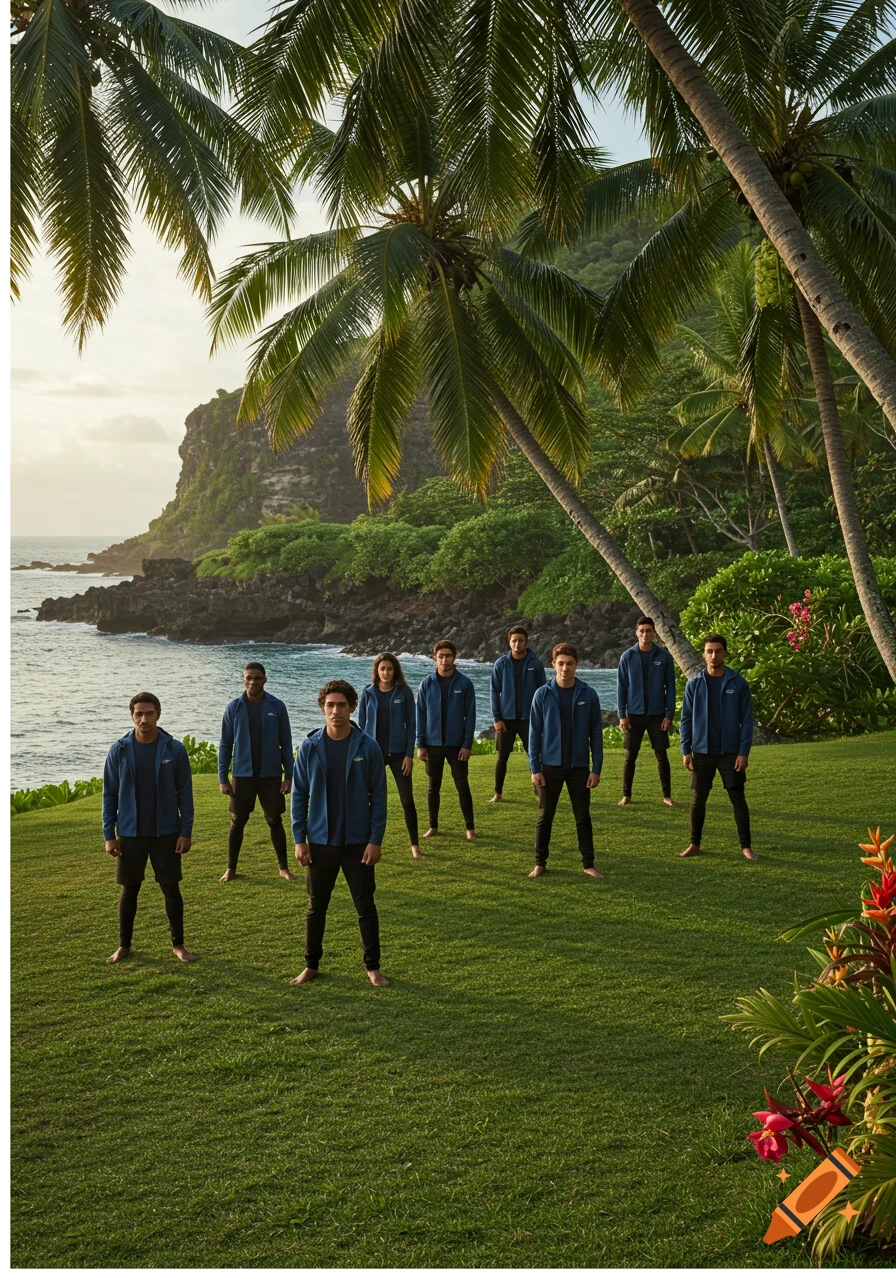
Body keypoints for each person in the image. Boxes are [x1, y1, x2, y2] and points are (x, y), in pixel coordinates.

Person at [291, 680, 388, 987]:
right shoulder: (310, 747)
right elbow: (299, 796)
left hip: (358, 843)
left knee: (365, 907)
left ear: (352, 707)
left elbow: (379, 797)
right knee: (316, 907)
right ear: (323, 708)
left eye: (341, 705)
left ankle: (373, 967)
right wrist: (299, 839)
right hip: (320, 843)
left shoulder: (368, 747)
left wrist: (375, 840)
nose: (336, 711)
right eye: (330, 705)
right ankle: (311, 965)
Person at [102, 692, 196, 964]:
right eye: (139, 714)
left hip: (166, 833)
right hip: (130, 834)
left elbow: (185, 793)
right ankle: (124, 946)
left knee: (171, 889)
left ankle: (178, 945)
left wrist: (185, 831)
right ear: (132, 716)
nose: (144, 719)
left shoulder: (174, 749)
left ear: (158, 714)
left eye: (149, 713)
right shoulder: (119, 750)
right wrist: (109, 835)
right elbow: (109, 794)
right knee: (129, 890)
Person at [678, 633, 757, 861]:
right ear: (704, 654)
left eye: (718, 651)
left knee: (738, 799)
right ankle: (694, 844)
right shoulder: (694, 684)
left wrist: (743, 752)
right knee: (698, 800)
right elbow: (686, 720)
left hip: (730, 752)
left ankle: (746, 847)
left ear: (725, 653)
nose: (714, 656)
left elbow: (747, 720)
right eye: (709, 651)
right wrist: (686, 750)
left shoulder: (738, 683)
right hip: (702, 752)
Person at [528, 644, 604, 880]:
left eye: (569, 664)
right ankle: (540, 863)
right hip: (549, 767)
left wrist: (596, 769)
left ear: (576, 664)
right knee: (545, 817)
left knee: (582, 817)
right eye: (560, 663)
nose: (565, 668)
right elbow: (534, 734)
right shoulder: (542, 694)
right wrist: (535, 769)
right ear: (553, 664)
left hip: (579, 768)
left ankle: (588, 864)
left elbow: (596, 734)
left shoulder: (588, 694)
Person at [218, 662, 295, 883]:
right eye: (249, 677)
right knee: (237, 821)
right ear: (243, 679)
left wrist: (288, 776)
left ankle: (283, 868)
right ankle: (231, 868)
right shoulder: (233, 708)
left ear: (265, 679)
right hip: (243, 776)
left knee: (275, 820)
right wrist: (223, 778)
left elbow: (286, 743)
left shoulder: (277, 707)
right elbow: (225, 744)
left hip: (271, 776)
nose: (253, 682)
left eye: (257, 678)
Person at [358, 652, 421, 858]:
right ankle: (366, 844)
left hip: (399, 755)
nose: (386, 672)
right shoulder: (367, 692)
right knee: (367, 801)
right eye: (382, 669)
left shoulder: (404, 693)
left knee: (407, 801)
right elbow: (361, 726)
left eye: (390, 669)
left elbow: (411, 725)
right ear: (376, 671)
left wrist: (409, 755)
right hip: (373, 754)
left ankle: (415, 846)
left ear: (395, 671)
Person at [416, 639, 477, 841]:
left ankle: (470, 828)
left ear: (454, 657)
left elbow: (470, 716)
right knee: (433, 787)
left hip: (456, 745)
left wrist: (467, 744)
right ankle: (433, 826)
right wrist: (420, 744)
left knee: (462, 786)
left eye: (448, 656)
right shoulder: (426, 684)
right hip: (432, 745)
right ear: (435, 658)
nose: (444, 660)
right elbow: (420, 715)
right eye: (440, 656)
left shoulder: (465, 683)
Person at [616, 616, 676, 807]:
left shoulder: (663, 657)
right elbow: (622, 687)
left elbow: (671, 688)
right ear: (636, 633)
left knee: (661, 756)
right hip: (634, 715)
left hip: (657, 715)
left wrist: (669, 715)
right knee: (630, 756)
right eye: (642, 631)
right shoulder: (627, 657)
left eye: (649, 631)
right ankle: (626, 795)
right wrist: (622, 715)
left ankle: (667, 796)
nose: (645, 634)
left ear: (654, 633)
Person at [488, 625, 546, 803]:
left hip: (529, 719)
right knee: (502, 757)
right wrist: (497, 718)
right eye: (514, 641)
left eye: (521, 640)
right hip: (506, 719)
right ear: (509, 642)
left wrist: (542, 717)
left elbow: (543, 692)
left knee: (535, 756)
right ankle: (498, 793)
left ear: (526, 642)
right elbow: (494, 691)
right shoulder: (501, 664)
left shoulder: (535, 664)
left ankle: (540, 794)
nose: (517, 644)